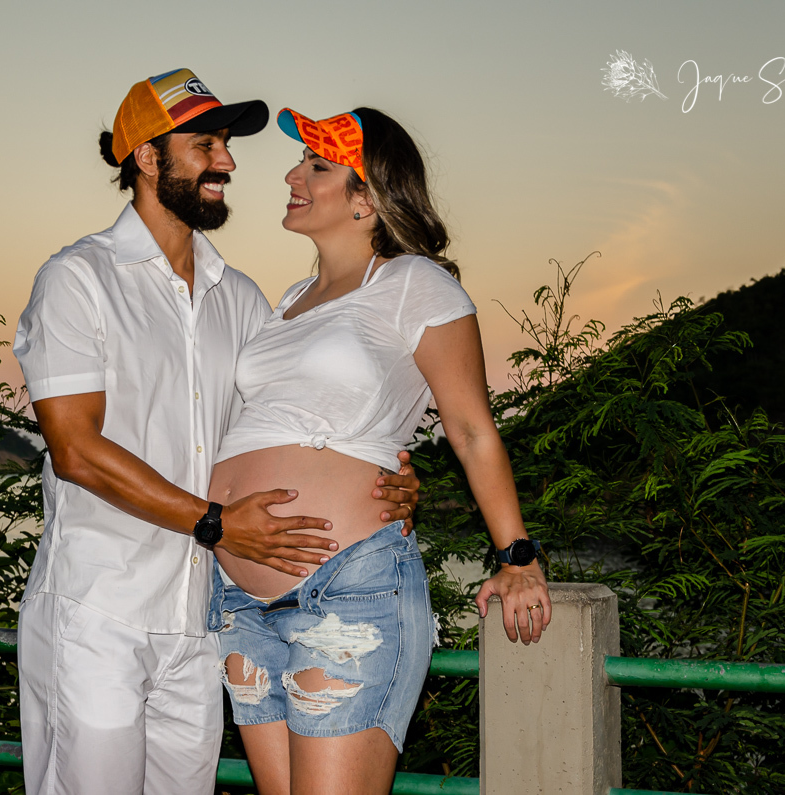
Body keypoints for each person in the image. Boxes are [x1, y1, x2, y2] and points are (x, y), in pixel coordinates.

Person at [11, 70, 421, 795]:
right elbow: (76, 450)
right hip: (97, 614)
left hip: (204, 622)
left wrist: (382, 470)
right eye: (206, 144)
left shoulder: (242, 299)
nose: (227, 161)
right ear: (146, 157)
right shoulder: (79, 279)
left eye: (226, 144)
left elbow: (279, 426)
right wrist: (214, 521)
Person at [206, 107, 552, 795]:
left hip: (348, 589)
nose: (291, 174)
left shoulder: (415, 284)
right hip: (240, 598)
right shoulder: (287, 301)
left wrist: (516, 555)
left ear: (366, 199)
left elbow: (471, 428)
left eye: (317, 166)